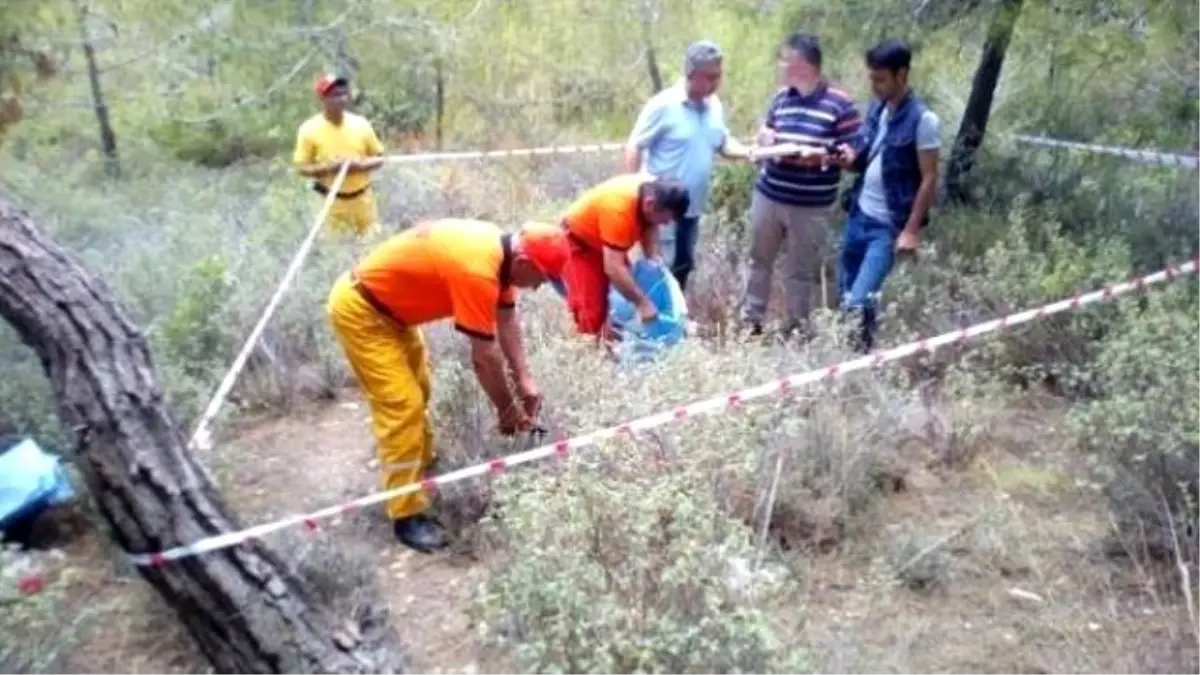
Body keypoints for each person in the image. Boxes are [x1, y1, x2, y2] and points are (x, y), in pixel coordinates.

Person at [326, 219, 568, 553]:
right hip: (363, 312)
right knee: (402, 408)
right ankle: (405, 514)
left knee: (420, 389)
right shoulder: (478, 269)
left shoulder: (502, 254)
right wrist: (507, 412)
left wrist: (525, 380)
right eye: (541, 278)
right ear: (524, 263)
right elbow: (485, 358)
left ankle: (422, 465)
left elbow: (507, 319)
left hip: (395, 315)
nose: (539, 287)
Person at [740, 32, 863, 339]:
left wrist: (822, 157)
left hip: (810, 206)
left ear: (804, 65)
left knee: (800, 270)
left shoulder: (840, 104)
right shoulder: (781, 98)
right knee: (759, 259)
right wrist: (763, 138)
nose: (781, 65)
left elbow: (853, 156)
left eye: (786, 59)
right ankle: (750, 321)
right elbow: (767, 130)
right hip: (769, 194)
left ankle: (796, 328)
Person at [623, 40, 753, 292]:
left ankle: (674, 319)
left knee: (683, 265)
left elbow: (723, 143)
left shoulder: (714, 106)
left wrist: (749, 152)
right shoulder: (663, 105)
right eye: (711, 76)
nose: (716, 83)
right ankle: (651, 321)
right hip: (661, 208)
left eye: (719, 76)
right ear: (692, 74)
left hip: (692, 207)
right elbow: (634, 145)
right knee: (660, 266)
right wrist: (635, 192)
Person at [837, 39, 941, 352]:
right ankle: (855, 356)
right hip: (858, 215)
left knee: (859, 299)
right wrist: (849, 159)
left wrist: (910, 230)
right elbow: (866, 156)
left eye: (881, 79)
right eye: (872, 78)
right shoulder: (877, 110)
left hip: (886, 227)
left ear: (902, 75)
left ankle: (859, 356)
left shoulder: (924, 120)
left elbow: (930, 177)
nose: (875, 85)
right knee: (846, 295)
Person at [558, 174, 690, 340]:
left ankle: (612, 340)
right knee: (592, 312)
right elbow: (613, 268)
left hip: (607, 240)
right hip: (579, 242)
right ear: (649, 204)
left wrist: (654, 261)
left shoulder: (653, 191)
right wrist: (643, 304)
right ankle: (590, 353)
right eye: (664, 220)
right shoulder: (619, 211)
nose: (664, 225)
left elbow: (650, 224)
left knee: (620, 298)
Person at [293, 73, 386, 237]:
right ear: (323, 99)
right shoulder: (308, 130)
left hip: (363, 200)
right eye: (335, 95)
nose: (341, 99)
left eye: (344, 94)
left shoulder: (361, 124)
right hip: (331, 202)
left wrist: (360, 166)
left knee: (371, 245)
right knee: (337, 248)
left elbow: (380, 157)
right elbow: (302, 168)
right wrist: (331, 168)